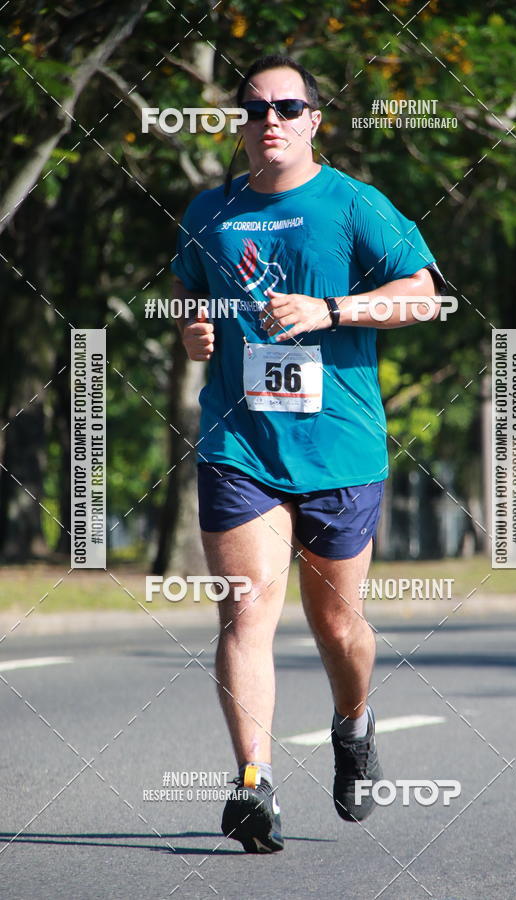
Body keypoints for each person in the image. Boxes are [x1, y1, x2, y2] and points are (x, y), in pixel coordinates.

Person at [171, 54, 446, 854]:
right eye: (256, 109)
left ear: (313, 121)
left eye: (288, 108)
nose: (271, 121)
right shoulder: (209, 213)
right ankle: (254, 785)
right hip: (240, 444)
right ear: (239, 123)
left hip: (341, 450)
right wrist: (192, 334)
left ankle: (353, 724)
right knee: (246, 610)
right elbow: (192, 304)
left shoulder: (355, 205)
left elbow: (424, 297)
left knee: (338, 627)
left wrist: (332, 307)